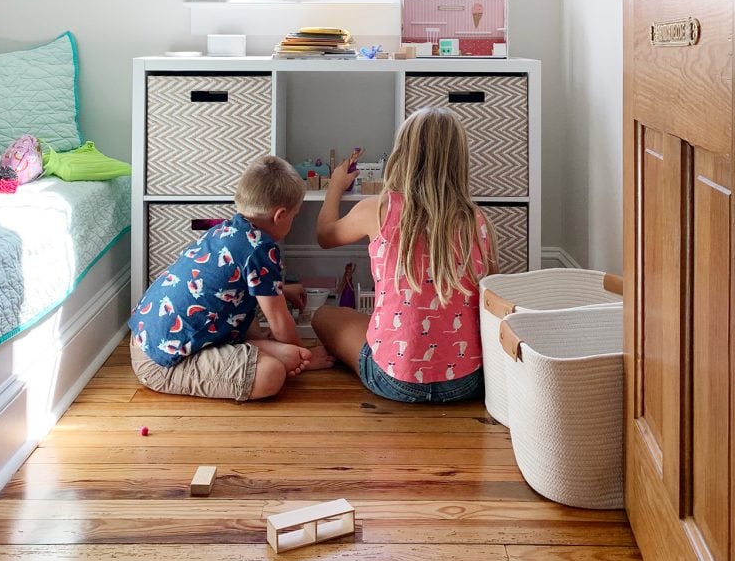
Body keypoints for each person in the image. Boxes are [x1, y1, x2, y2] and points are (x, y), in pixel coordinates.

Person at [312, 107, 497, 403]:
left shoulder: (377, 209)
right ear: (460, 160)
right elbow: (490, 295)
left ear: (403, 154)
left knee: (323, 315)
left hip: (394, 380)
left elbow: (324, 236)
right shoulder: (477, 221)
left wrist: (335, 187)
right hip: (466, 382)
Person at [129, 155, 333, 401]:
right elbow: (278, 318)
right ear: (280, 215)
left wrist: (281, 290)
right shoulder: (262, 249)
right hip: (162, 364)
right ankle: (268, 352)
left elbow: (230, 283)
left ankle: (260, 348)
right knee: (272, 373)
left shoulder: (227, 229)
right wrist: (302, 356)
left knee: (246, 309)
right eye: (295, 215)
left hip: (146, 337)